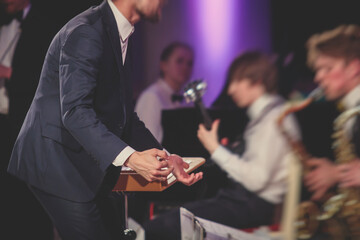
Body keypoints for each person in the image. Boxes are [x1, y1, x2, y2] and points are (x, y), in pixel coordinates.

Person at [6, 0, 203, 239]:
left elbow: (124, 117)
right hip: (56, 161)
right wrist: (131, 157)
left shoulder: (121, 31)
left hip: (85, 162)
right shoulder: (86, 31)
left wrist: (166, 156)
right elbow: (76, 112)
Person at [143, 50, 301, 240]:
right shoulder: (265, 116)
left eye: (236, 81)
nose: (230, 90)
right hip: (243, 200)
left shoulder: (274, 118)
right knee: (169, 220)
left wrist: (215, 149)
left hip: (253, 205)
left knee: (161, 227)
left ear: (257, 81)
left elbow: (257, 180)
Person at [1, 0, 60, 238]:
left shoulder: (44, 22)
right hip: (4, 121)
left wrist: (7, 72)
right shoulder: (6, 21)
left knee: (28, 200)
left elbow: (44, 75)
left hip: (23, 122)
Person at [303, 24, 360, 201]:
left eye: (327, 69)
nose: (318, 77)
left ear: (353, 68)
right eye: (318, 70)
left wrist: (336, 173)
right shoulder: (347, 110)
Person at [135, 41, 194, 143]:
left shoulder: (186, 99)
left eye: (189, 63)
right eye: (179, 61)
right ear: (164, 65)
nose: (185, 67)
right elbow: (148, 143)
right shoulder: (151, 97)